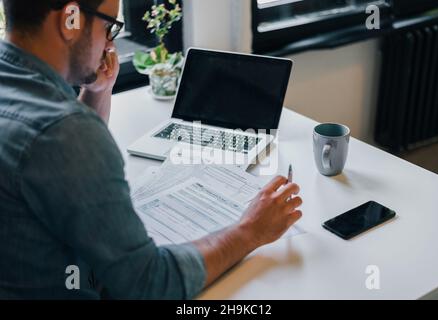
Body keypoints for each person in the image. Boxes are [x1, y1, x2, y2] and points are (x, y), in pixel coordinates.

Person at [0, 0, 303, 299]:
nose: (109, 45)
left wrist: (98, 92)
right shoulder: (66, 132)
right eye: (108, 27)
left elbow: (54, 168)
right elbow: (149, 283)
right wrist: (250, 230)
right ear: (70, 19)